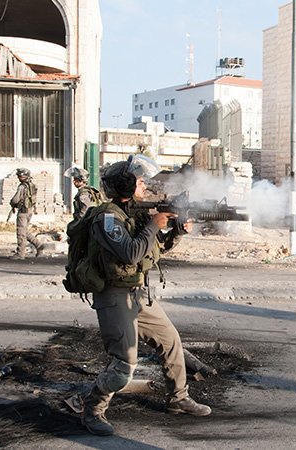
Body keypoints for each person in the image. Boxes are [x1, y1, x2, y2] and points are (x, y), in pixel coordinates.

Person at [80, 155, 210, 436]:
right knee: (124, 364)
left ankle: (178, 398)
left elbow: (151, 251)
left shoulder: (131, 216)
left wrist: (175, 232)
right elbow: (130, 252)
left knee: (170, 341)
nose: (145, 186)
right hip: (114, 296)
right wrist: (154, 223)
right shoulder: (107, 218)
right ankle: (92, 410)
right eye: (140, 182)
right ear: (125, 185)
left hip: (137, 293)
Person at [9, 168, 44, 260]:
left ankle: (20, 253)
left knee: (21, 232)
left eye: (19, 176)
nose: (18, 178)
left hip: (23, 211)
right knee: (24, 231)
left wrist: (12, 203)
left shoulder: (22, 186)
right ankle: (38, 245)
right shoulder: (31, 184)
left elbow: (15, 199)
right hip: (30, 210)